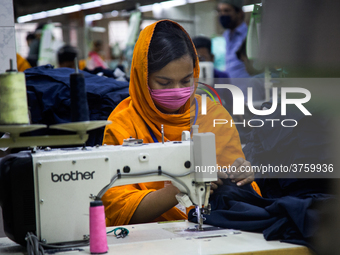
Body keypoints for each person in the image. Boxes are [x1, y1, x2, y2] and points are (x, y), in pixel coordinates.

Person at [102, 20, 259, 226]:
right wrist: (178, 188)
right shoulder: (123, 123)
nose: (177, 91)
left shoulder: (213, 115)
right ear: (142, 77)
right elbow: (117, 209)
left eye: (186, 81)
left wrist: (242, 176)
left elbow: (240, 193)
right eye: (164, 83)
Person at [218, 0, 250, 78]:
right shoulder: (226, 35)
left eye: (226, 11)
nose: (222, 14)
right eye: (220, 11)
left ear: (239, 13)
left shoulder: (249, 35)